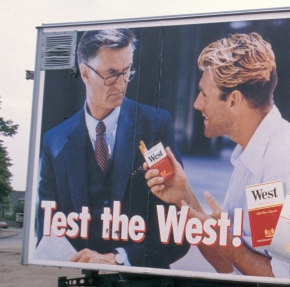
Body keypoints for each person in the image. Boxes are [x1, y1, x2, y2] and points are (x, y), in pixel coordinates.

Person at [146, 32, 290, 278]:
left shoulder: (286, 167)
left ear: (234, 100)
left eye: (204, 94)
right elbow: (230, 263)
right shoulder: (254, 154)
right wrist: (182, 195)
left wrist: (232, 249)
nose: (196, 104)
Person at [37, 28, 190, 268]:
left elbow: (174, 231)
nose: (121, 84)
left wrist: (119, 258)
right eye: (110, 74)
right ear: (85, 73)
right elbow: (46, 223)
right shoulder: (54, 142)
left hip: (140, 273)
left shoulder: (155, 126)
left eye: (126, 72)